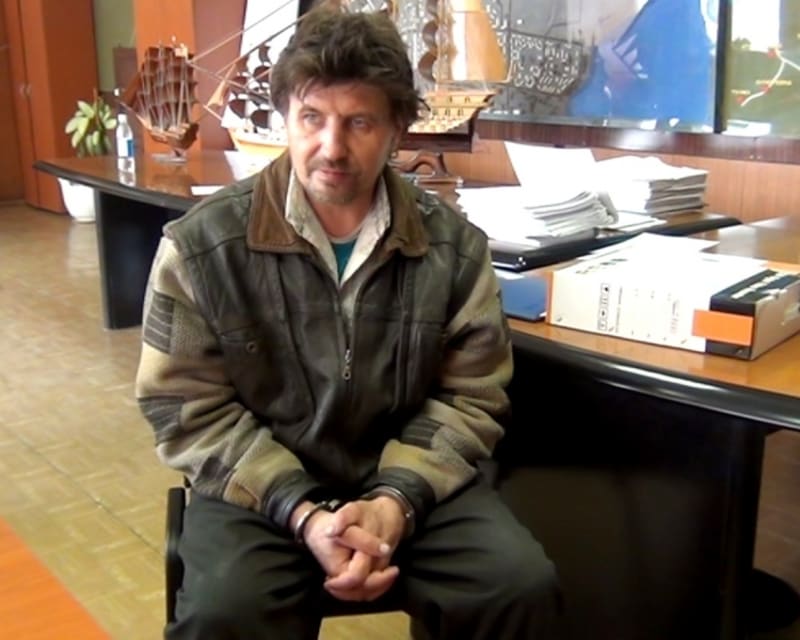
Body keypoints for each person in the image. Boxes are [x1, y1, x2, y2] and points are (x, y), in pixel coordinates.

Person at [135, 5, 562, 639]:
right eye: (312, 117)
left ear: (396, 130)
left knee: (518, 586)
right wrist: (303, 512)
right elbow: (182, 408)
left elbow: (471, 397)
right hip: (261, 490)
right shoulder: (201, 247)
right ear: (285, 117)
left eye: (359, 122)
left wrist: (394, 502)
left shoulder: (453, 248)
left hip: (412, 479)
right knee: (226, 612)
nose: (331, 147)